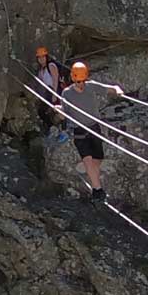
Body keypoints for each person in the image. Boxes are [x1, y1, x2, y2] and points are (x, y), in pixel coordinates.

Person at [58, 62, 109, 201]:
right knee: (87, 161)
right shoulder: (67, 94)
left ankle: (96, 185)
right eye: (78, 81)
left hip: (94, 127)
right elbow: (64, 114)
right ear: (73, 79)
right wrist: (59, 111)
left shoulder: (91, 86)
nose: (81, 84)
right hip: (79, 131)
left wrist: (117, 90)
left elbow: (108, 89)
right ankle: (97, 190)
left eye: (83, 81)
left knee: (97, 160)